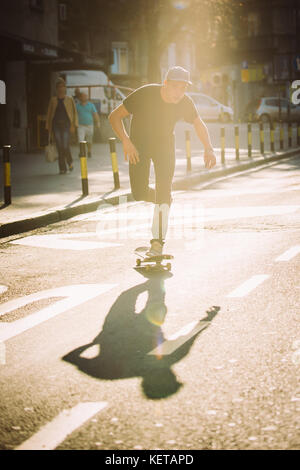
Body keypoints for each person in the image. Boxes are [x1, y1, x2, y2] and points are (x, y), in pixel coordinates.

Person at [109, 66, 216, 256]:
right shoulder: (145, 94)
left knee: (163, 189)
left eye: (183, 88)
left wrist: (208, 148)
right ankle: (164, 200)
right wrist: (126, 141)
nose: (179, 93)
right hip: (138, 148)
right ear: (165, 84)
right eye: (175, 87)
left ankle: (157, 242)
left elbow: (198, 123)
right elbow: (115, 116)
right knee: (139, 193)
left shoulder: (185, 102)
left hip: (164, 148)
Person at [46, 78, 78, 174]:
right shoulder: (53, 100)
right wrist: (48, 127)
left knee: (65, 145)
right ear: (56, 89)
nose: (61, 88)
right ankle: (62, 168)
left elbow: (74, 113)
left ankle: (70, 161)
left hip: (67, 125)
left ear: (65, 88)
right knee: (59, 146)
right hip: (56, 125)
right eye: (59, 87)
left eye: (63, 86)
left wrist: (73, 125)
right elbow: (49, 114)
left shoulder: (69, 99)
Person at [76, 92, 101, 158]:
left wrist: (98, 122)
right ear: (80, 97)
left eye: (86, 96)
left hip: (90, 125)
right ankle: (81, 152)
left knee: (89, 140)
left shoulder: (91, 105)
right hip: (80, 125)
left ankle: (89, 151)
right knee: (81, 140)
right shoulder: (77, 106)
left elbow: (95, 114)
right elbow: (75, 115)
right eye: (83, 96)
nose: (85, 97)